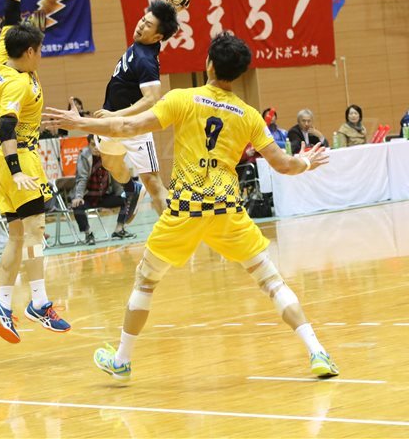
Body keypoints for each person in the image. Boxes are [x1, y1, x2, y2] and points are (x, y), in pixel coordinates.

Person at [44, 32, 339, 382]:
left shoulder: (182, 98)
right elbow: (284, 165)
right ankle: (317, 351)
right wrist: (306, 162)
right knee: (271, 281)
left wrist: (80, 123)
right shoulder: (248, 115)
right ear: (240, 73)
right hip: (228, 210)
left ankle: (121, 360)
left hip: (185, 210)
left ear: (209, 64)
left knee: (146, 282)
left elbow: (126, 125)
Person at [0, 0, 70, 345]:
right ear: (31, 51)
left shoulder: (2, 58)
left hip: (1, 162)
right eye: (41, 50)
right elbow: (7, 125)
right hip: (19, 157)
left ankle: (3, 303)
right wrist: (18, 169)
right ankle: (39, 302)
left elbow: (10, 15)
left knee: (18, 236)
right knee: (36, 234)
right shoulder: (17, 84)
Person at [93, 0, 179, 221]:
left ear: (157, 36)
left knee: (153, 182)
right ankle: (132, 189)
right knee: (110, 163)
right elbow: (162, 22)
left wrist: (116, 115)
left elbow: (152, 99)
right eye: (143, 20)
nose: (141, 25)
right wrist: (172, 9)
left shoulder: (146, 60)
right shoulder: (144, 42)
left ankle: (174, 230)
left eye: (148, 25)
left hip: (133, 126)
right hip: (111, 120)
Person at [71, 134, 133, 245]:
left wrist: (121, 193)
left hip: (103, 196)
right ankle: (88, 234)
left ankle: (119, 229)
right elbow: (82, 178)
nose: (95, 147)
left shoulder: (109, 155)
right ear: (88, 145)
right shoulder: (84, 156)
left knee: (127, 198)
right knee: (77, 205)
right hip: (87, 197)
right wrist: (78, 196)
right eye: (92, 144)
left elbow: (115, 176)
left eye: (98, 144)